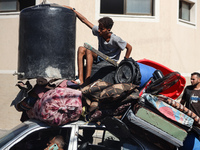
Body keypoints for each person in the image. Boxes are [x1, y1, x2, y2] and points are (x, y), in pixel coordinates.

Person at [64, 6, 132, 86]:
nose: (99, 30)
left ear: (108, 30)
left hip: (109, 60)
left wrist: (125, 60)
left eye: (101, 29)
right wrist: (73, 10)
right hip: (100, 56)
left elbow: (129, 47)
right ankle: (80, 79)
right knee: (81, 49)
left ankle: (87, 80)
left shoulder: (115, 39)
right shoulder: (100, 32)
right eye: (99, 28)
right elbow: (84, 20)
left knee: (88, 50)